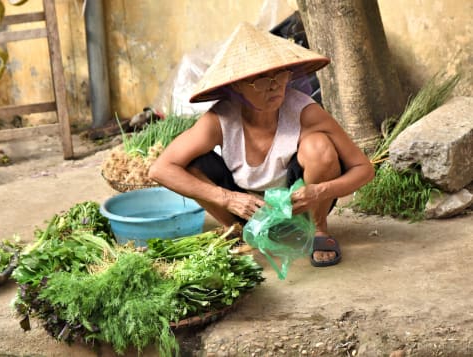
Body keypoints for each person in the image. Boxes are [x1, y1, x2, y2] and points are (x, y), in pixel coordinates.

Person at [148, 22, 375, 267]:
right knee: (190, 161)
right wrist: (227, 198)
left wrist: (320, 191)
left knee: (319, 146)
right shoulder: (220, 119)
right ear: (237, 84)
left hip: (299, 205)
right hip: (244, 208)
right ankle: (235, 231)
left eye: (280, 73)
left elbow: (364, 169)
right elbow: (160, 169)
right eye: (260, 78)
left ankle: (319, 230)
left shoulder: (305, 111)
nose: (275, 84)